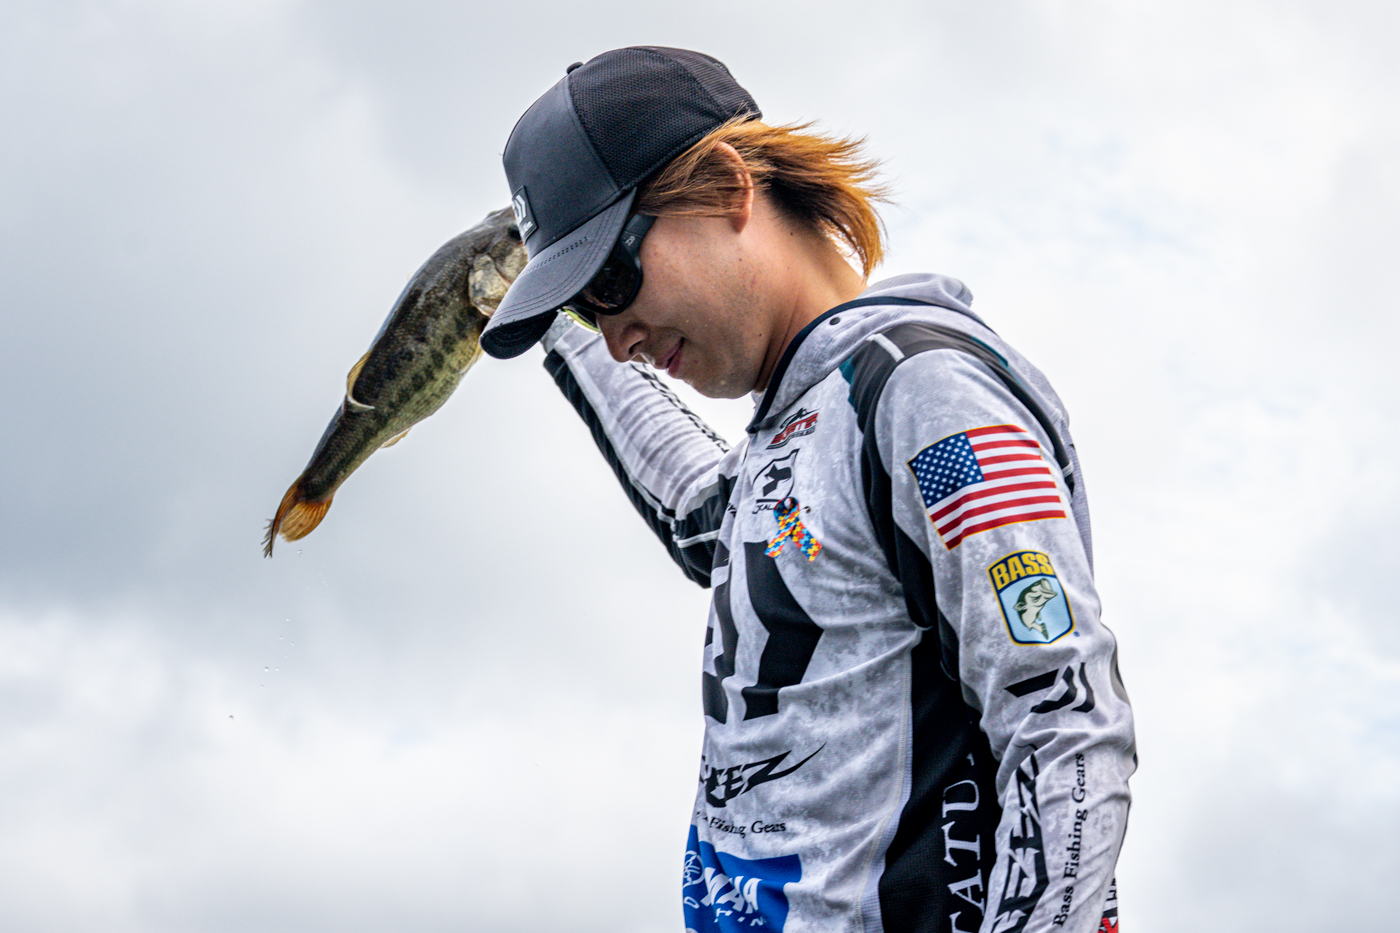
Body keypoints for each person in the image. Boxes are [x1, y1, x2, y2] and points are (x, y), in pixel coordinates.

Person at [479, 46, 1135, 933]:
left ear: (726, 187)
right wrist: (551, 330)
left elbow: (1065, 725)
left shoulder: (924, 396)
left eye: (609, 282)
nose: (618, 338)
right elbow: (699, 515)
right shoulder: (798, 428)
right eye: (584, 309)